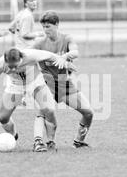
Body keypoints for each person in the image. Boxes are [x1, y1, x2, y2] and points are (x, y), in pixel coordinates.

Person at [0, 47, 76, 152]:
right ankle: (12, 135)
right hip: (15, 86)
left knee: (49, 110)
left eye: (15, 66)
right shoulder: (0, 63)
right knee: (3, 118)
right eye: (10, 67)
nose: (12, 69)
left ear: (20, 59)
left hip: (35, 82)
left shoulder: (32, 55)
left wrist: (66, 64)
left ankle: (50, 141)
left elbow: (51, 56)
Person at [32, 11, 94, 150]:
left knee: (88, 113)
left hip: (63, 84)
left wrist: (64, 57)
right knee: (43, 112)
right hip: (46, 83)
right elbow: (27, 56)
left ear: (57, 25)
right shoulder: (39, 43)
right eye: (44, 27)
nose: (45, 30)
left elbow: (75, 52)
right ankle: (40, 142)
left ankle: (79, 141)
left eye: (48, 26)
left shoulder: (66, 39)